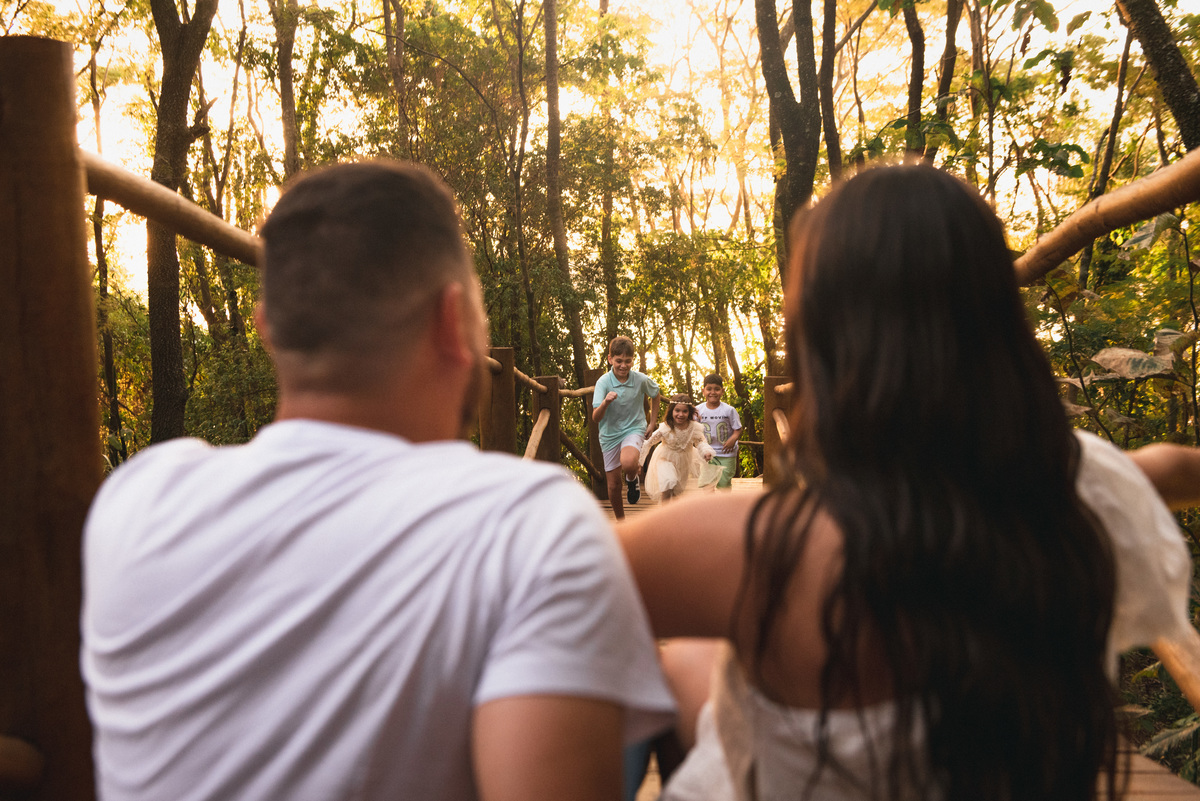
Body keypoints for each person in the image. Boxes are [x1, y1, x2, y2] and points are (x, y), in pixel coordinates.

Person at [81, 160, 675, 801]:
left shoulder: (135, 501)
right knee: (677, 676)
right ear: (452, 321)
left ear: (266, 328)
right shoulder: (530, 525)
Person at [619, 164, 1193, 801]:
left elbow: (552, 579)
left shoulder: (765, 548)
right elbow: (1172, 466)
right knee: (690, 662)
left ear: (823, 342)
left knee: (677, 663)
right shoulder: (1080, 489)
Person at [593, 335, 661, 520]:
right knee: (614, 485)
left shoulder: (640, 379)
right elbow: (596, 417)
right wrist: (605, 402)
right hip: (609, 434)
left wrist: (652, 422)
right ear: (610, 359)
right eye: (619, 361)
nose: (623, 365)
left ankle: (632, 478)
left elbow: (656, 394)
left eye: (628, 361)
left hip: (634, 428)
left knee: (629, 462)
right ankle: (621, 522)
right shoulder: (603, 382)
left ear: (633, 360)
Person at [641, 394, 722, 502]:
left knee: (676, 490)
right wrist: (638, 462)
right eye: (677, 411)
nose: (680, 414)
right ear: (672, 411)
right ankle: (665, 510)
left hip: (683, 462)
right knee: (668, 482)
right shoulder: (666, 427)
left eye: (684, 411)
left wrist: (706, 452)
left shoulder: (693, 427)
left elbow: (700, 442)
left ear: (689, 412)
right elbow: (649, 442)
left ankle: (673, 510)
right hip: (665, 459)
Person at [697, 374, 742, 489]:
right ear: (703, 391)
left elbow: (738, 429)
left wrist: (733, 439)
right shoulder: (698, 410)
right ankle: (710, 501)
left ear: (722, 391)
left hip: (726, 453)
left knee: (724, 484)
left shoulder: (729, 410)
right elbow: (694, 431)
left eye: (717, 389)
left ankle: (725, 500)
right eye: (709, 389)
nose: (713, 392)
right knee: (707, 484)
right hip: (707, 453)